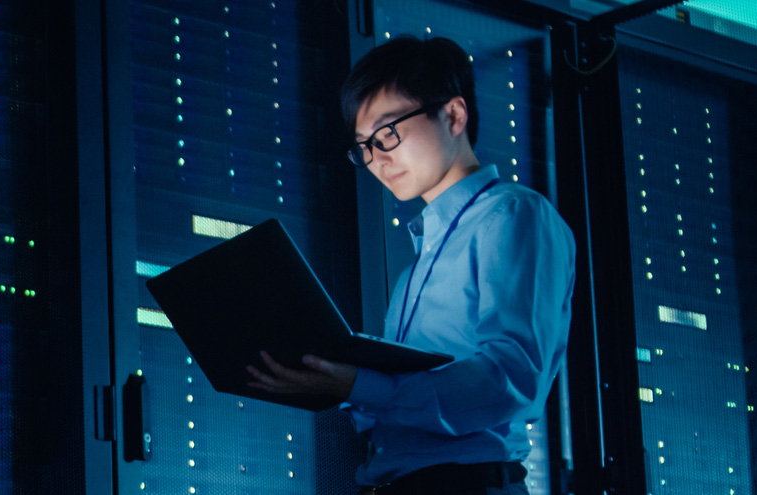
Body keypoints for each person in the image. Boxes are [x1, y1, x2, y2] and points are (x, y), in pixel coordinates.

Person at [240, 36, 576, 495]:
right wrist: (329, 381)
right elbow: (400, 408)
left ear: (454, 115)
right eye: (364, 147)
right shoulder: (414, 270)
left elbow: (510, 378)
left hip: (465, 486)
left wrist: (360, 385)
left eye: (388, 133)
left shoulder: (513, 215)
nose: (377, 158)